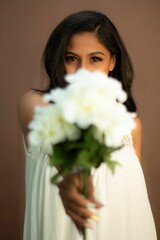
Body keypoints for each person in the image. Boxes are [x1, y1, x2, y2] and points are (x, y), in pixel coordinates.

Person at [18, 10, 157, 240]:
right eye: (71, 58)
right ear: (58, 60)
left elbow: (132, 209)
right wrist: (71, 174)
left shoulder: (130, 127)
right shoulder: (35, 105)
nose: (83, 71)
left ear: (112, 61)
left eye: (95, 59)